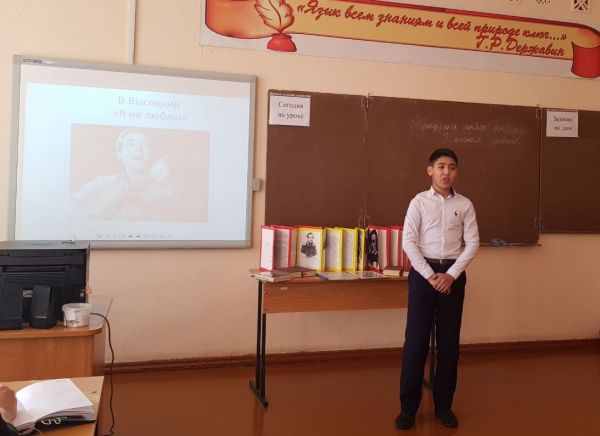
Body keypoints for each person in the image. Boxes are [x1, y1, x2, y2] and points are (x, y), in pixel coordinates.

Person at [395, 148, 479, 430]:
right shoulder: (418, 202)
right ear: (430, 170)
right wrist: (431, 276)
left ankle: (444, 406)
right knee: (415, 343)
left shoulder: (465, 205)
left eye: (452, 167)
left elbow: (473, 244)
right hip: (424, 275)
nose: (446, 172)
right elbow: (409, 242)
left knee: (449, 344)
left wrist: (451, 275)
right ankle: (408, 408)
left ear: (456, 172)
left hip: (453, 276)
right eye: (441, 166)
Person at [71, 128, 182, 221]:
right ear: (119, 153)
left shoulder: (169, 186)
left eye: (144, 144)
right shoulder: (102, 184)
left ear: (151, 153)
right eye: (130, 144)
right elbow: (68, 206)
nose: (138, 149)